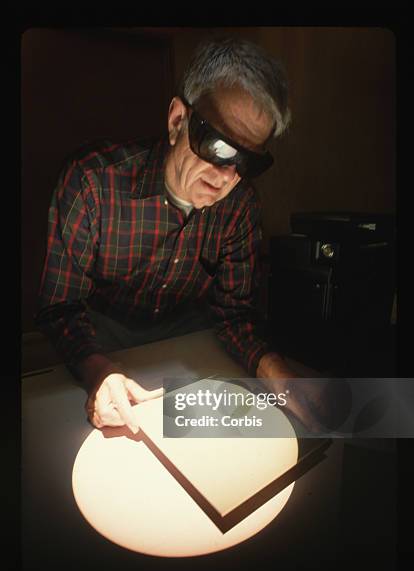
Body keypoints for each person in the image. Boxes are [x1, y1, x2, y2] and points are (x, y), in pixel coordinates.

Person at [35, 37, 323, 434]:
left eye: (247, 161)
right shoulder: (92, 182)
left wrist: (281, 378)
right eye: (219, 145)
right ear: (177, 122)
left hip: (189, 345)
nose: (226, 176)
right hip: (99, 336)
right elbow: (60, 307)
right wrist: (98, 370)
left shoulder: (240, 207)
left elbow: (235, 314)